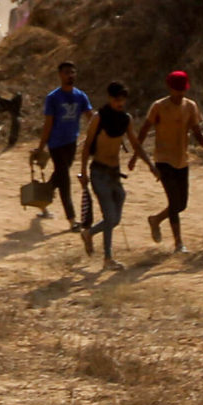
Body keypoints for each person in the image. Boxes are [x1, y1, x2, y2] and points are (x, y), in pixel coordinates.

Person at [134, 69, 203, 252]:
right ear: (170, 88)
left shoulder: (190, 106)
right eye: (177, 89)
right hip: (163, 160)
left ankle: (155, 219)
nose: (180, 93)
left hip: (182, 159)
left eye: (182, 90)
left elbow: (197, 131)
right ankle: (178, 242)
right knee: (173, 200)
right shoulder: (158, 106)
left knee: (181, 204)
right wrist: (136, 154)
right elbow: (144, 129)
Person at [79, 83, 136, 268]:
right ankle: (108, 258)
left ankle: (89, 233)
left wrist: (151, 165)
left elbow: (136, 143)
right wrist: (84, 171)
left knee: (115, 218)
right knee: (110, 216)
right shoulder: (99, 118)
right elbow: (87, 146)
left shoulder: (125, 119)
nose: (120, 103)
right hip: (98, 172)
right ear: (110, 99)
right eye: (116, 99)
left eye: (122, 99)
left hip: (114, 174)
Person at [38, 62, 95, 221]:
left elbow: (91, 117)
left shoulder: (80, 96)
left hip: (71, 142)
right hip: (55, 143)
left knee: (60, 175)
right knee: (65, 180)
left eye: (72, 72)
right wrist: (41, 147)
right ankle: (72, 219)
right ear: (60, 75)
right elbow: (48, 124)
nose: (70, 76)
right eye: (67, 73)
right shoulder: (53, 98)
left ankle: (42, 199)